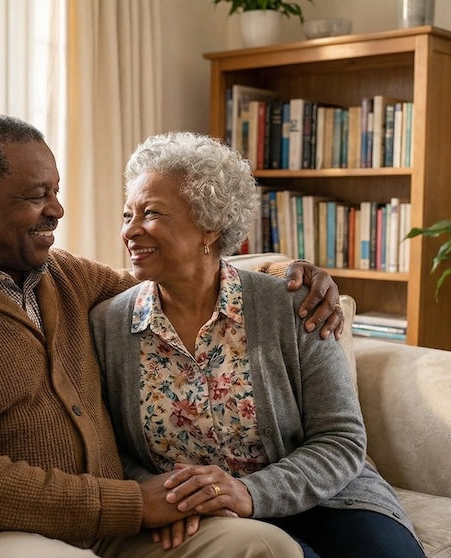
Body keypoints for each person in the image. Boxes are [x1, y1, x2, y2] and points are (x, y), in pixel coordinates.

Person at [0, 113, 344, 558]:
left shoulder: (65, 277)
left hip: (104, 528)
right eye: (37, 195)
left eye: (56, 191)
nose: (58, 210)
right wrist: (131, 503)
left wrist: (286, 275)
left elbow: (181, 278)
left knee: (263, 546)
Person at [89, 131, 424, 558]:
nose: (130, 231)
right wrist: (169, 498)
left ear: (209, 225)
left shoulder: (294, 306)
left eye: (150, 213)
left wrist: (248, 492)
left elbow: (340, 438)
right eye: (126, 215)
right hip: (212, 521)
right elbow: (110, 447)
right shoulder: (108, 325)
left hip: (328, 498)